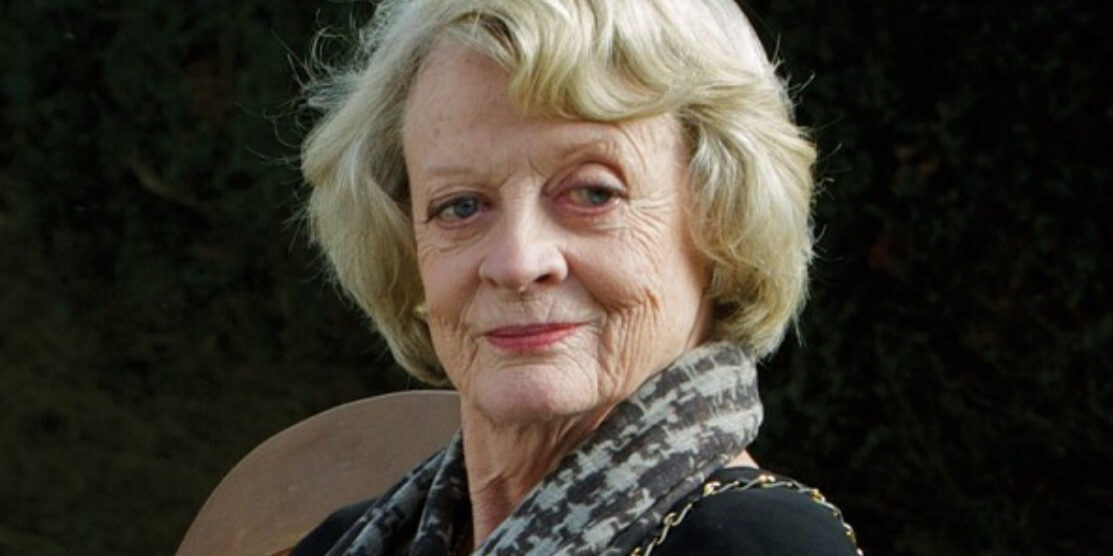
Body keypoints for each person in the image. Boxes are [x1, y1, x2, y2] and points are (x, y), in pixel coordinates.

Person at [293, 0, 861, 554]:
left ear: (723, 220)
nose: (518, 263)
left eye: (592, 194)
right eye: (461, 206)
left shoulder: (761, 545)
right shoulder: (347, 540)